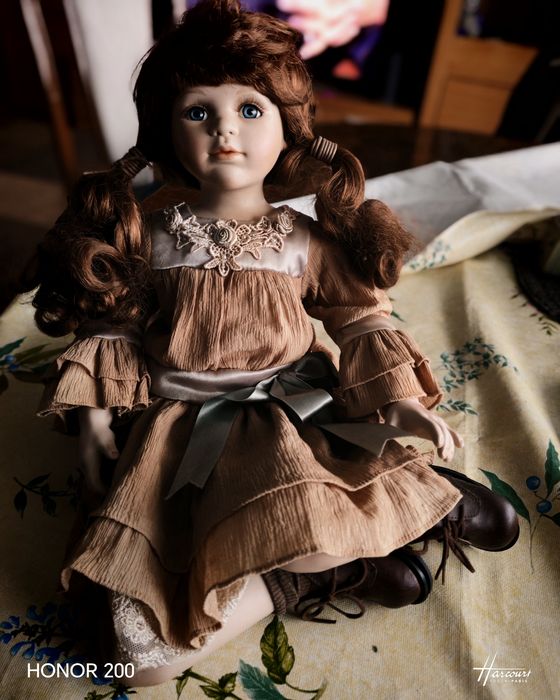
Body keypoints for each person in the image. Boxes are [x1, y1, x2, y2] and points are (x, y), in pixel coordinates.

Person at [26, 0, 519, 687]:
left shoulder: (301, 240)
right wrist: (95, 420)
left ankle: (397, 506)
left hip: (295, 419)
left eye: (250, 109)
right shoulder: (151, 234)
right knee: (136, 663)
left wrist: (402, 404)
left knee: (305, 531)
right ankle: (332, 569)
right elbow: (115, 328)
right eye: (199, 111)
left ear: (288, 128)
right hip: (178, 438)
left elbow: (361, 318)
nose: (225, 128)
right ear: (167, 129)